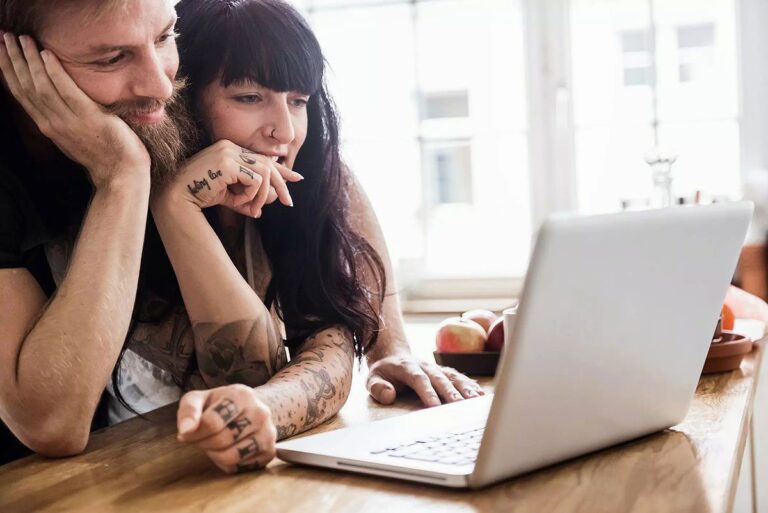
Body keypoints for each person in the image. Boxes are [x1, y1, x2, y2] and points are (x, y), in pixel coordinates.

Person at [0, 0, 483, 469]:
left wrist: (388, 345)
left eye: (165, 37)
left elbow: (313, 345)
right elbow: (52, 426)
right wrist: (130, 177)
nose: (160, 85)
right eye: (110, 57)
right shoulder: (113, 155)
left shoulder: (258, 160)